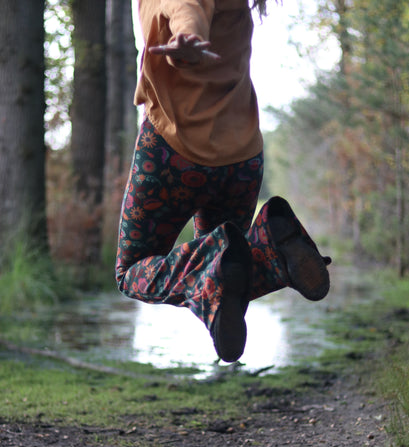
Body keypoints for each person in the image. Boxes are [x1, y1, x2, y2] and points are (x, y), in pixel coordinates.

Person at [116, 0, 331, 363]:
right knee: (232, 265)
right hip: (242, 158)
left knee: (131, 271)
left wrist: (187, 38)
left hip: (173, 153)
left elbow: (186, 9)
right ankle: (273, 245)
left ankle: (270, 254)